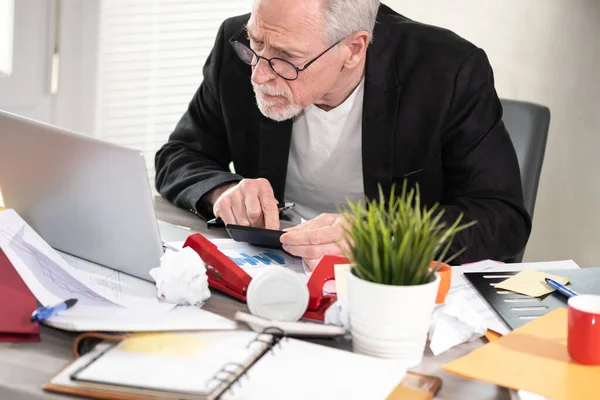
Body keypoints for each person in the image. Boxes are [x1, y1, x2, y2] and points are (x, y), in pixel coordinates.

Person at [155, 0, 531, 269]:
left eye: (287, 59)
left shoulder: (448, 69)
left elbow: (501, 219)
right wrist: (223, 191)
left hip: (382, 284)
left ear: (353, 49)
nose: (259, 74)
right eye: (254, 44)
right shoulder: (244, 45)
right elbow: (179, 154)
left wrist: (379, 236)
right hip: (271, 266)